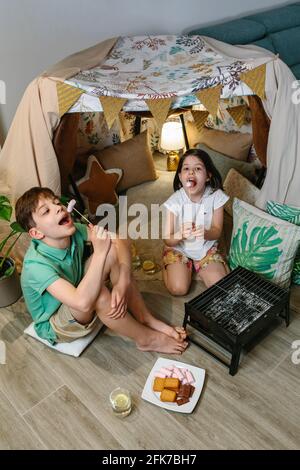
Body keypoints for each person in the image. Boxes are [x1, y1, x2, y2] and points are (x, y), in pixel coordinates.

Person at [16, 187, 187, 354]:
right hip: (56, 322)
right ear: (36, 233)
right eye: (46, 211)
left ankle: (145, 317)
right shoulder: (36, 266)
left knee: (113, 249)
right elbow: (82, 303)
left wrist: (123, 281)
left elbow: (121, 240)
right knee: (99, 293)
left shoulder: (71, 231)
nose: (58, 207)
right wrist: (99, 252)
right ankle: (146, 340)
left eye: (56, 202)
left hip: (76, 290)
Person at [162, 148, 230, 295]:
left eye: (198, 168)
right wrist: (180, 234)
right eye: (186, 169)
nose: (191, 172)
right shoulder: (174, 201)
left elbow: (217, 230)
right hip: (178, 248)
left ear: (208, 176)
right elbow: (168, 239)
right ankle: (171, 266)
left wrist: (206, 233)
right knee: (178, 289)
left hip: (206, 248)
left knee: (222, 288)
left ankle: (200, 266)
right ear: (180, 176)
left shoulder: (216, 196)